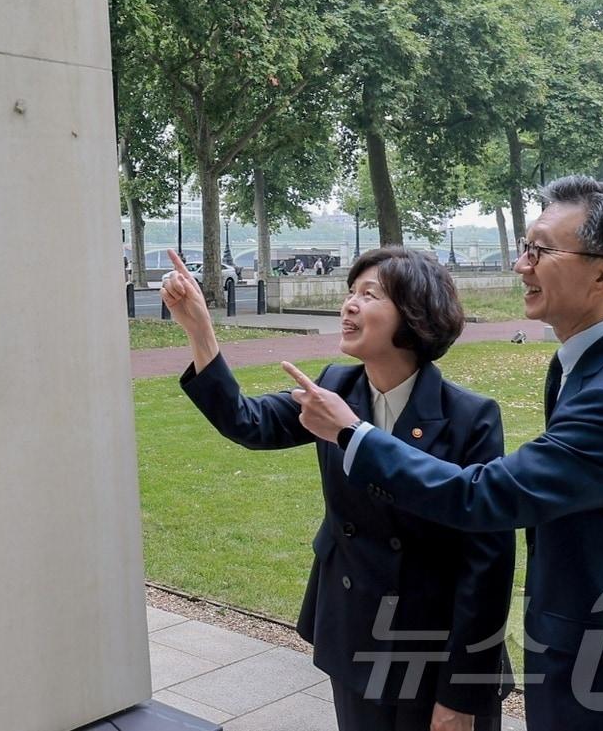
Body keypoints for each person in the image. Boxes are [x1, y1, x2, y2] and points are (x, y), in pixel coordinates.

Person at [282, 177, 603, 730]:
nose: (522, 265)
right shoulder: (593, 365)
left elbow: (484, 495)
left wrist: (353, 435)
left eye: (540, 250)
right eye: (524, 248)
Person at [162, 247, 513, 730]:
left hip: (434, 646)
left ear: (414, 314)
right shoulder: (335, 388)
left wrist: (461, 695)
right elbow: (248, 422)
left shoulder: (470, 417)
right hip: (356, 631)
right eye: (351, 291)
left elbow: (487, 561)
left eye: (369, 295)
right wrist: (200, 331)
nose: (349, 304)